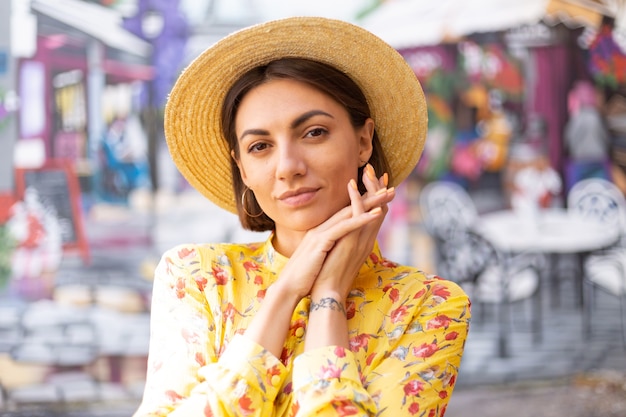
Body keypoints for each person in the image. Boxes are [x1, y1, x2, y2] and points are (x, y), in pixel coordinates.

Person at [133, 17, 471, 417]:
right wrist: (287, 290)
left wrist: (329, 294)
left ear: (363, 142)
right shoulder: (197, 277)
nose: (287, 166)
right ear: (242, 168)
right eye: (260, 146)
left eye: (313, 133)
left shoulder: (429, 305)